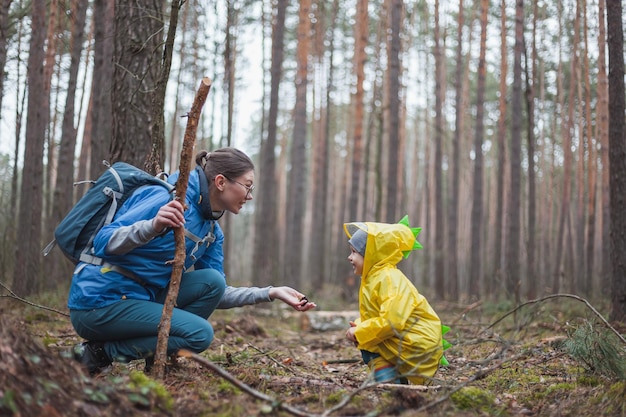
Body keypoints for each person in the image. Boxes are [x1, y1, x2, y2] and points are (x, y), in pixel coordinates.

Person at [69, 147, 316, 375]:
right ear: (220, 182)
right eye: (247, 187)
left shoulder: (211, 231)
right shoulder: (166, 197)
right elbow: (102, 242)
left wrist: (270, 292)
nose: (249, 196)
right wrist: (152, 226)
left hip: (138, 299)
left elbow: (217, 293)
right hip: (98, 302)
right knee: (199, 335)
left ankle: (156, 356)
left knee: (212, 281)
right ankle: (100, 353)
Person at [343, 216, 442, 385]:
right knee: (367, 340)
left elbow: (392, 322)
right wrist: (361, 324)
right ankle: (395, 382)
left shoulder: (388, 279)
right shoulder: (374, 278)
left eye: (354, 252)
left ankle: (391, 386)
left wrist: (360, 332)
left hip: (417, 342)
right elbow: (379, 314)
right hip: (403, 337)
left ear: (372, 254)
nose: (349, 257)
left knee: (368, 344)